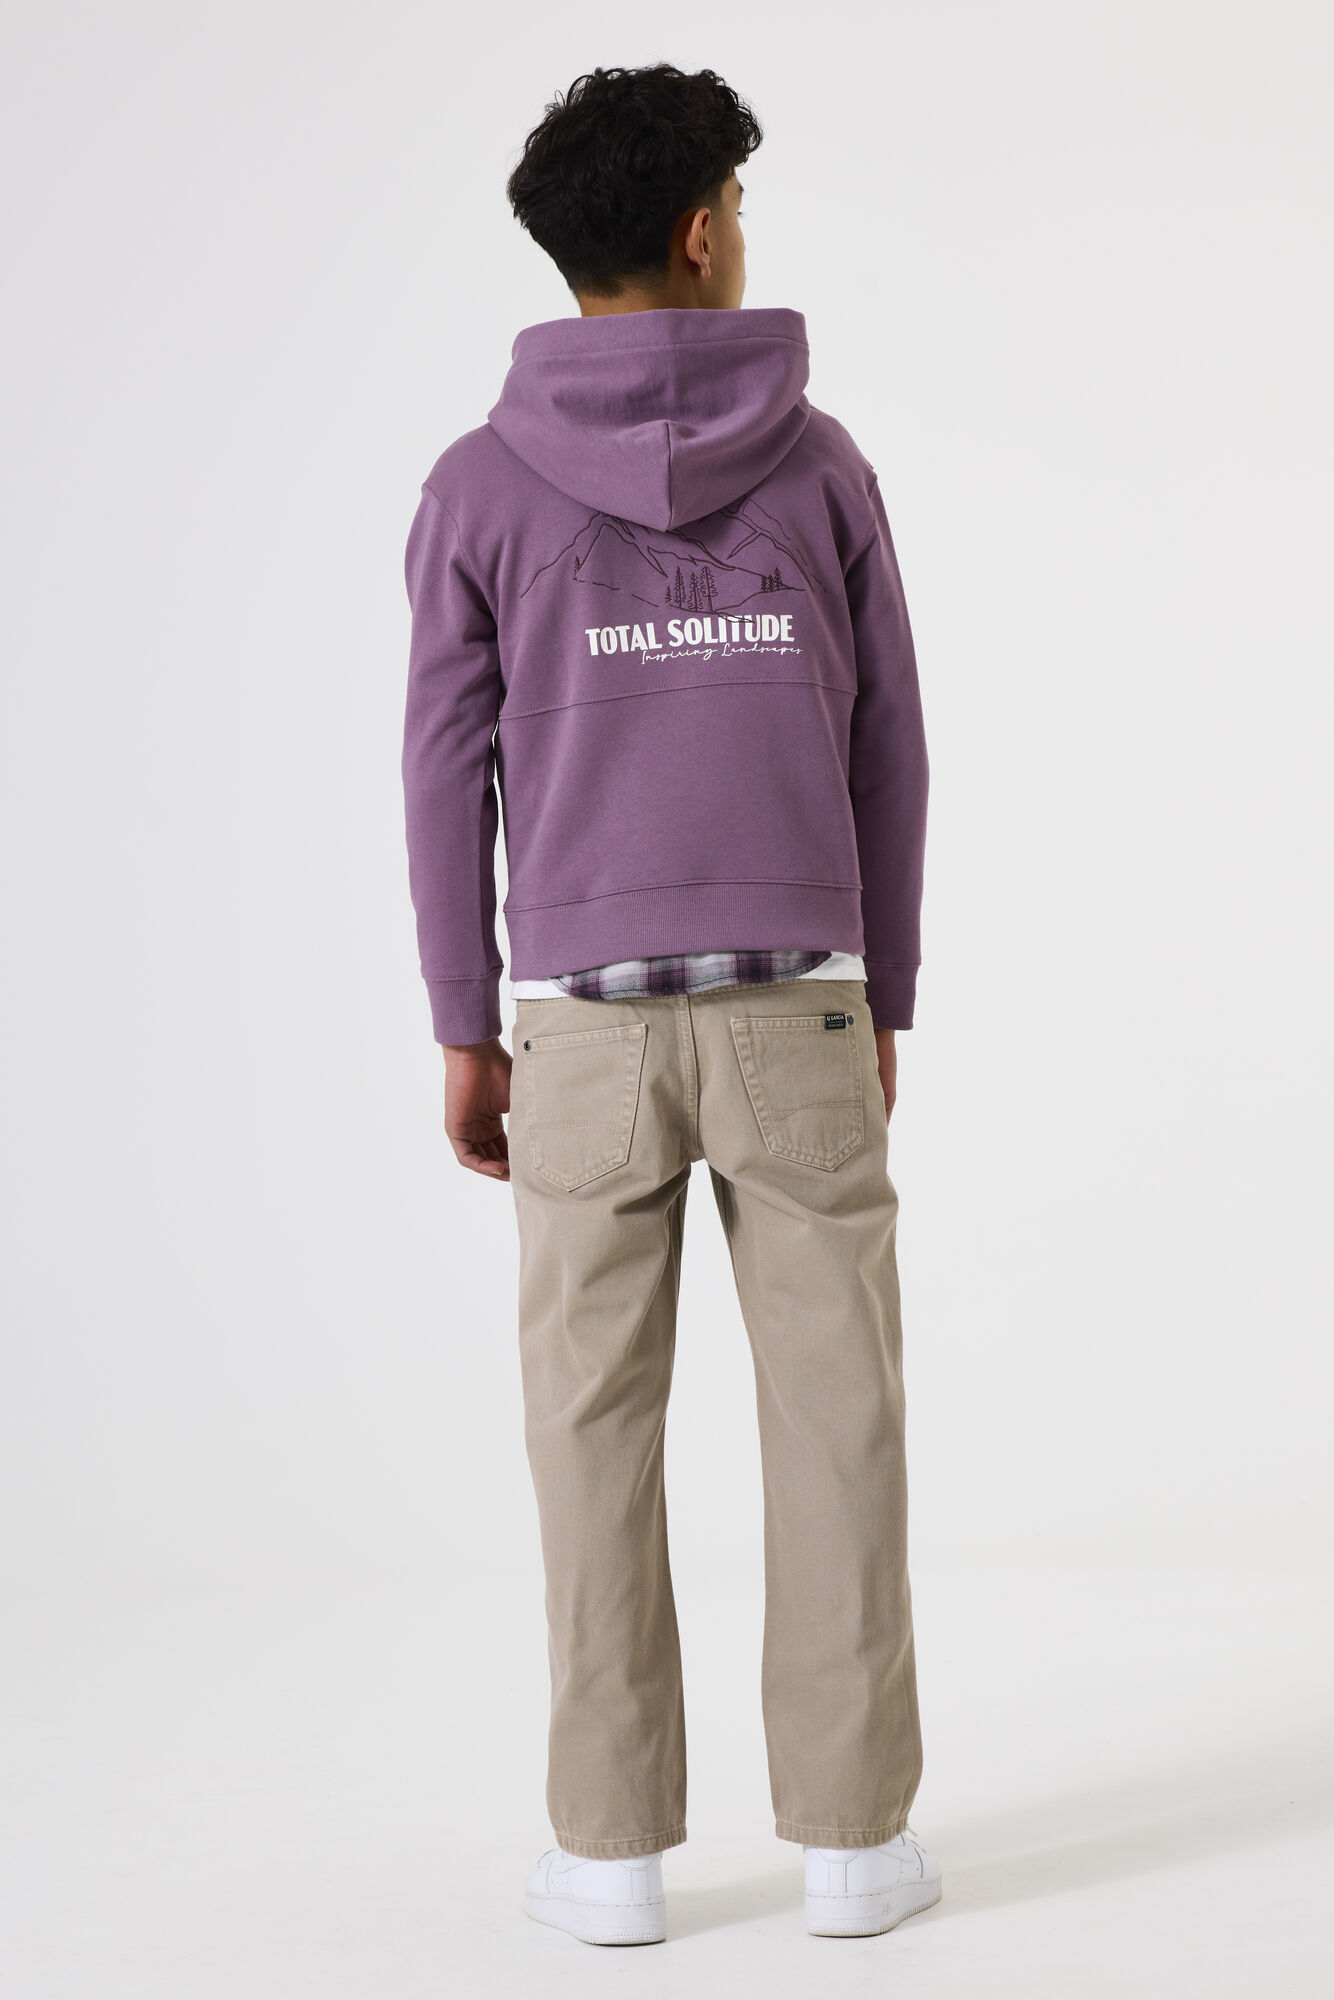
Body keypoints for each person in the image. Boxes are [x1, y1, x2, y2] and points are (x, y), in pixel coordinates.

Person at [401, 63, 938, 1946]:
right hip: (799, 1006)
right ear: (705, 230)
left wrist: (464, 1022)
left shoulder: (476, 488)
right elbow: (891, 746)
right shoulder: (822, 464)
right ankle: (854, 1851)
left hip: (582, 1032)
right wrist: (883, 988)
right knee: (839, 1423)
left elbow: (440, 768)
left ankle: (611, 1859)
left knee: (588, 1433)